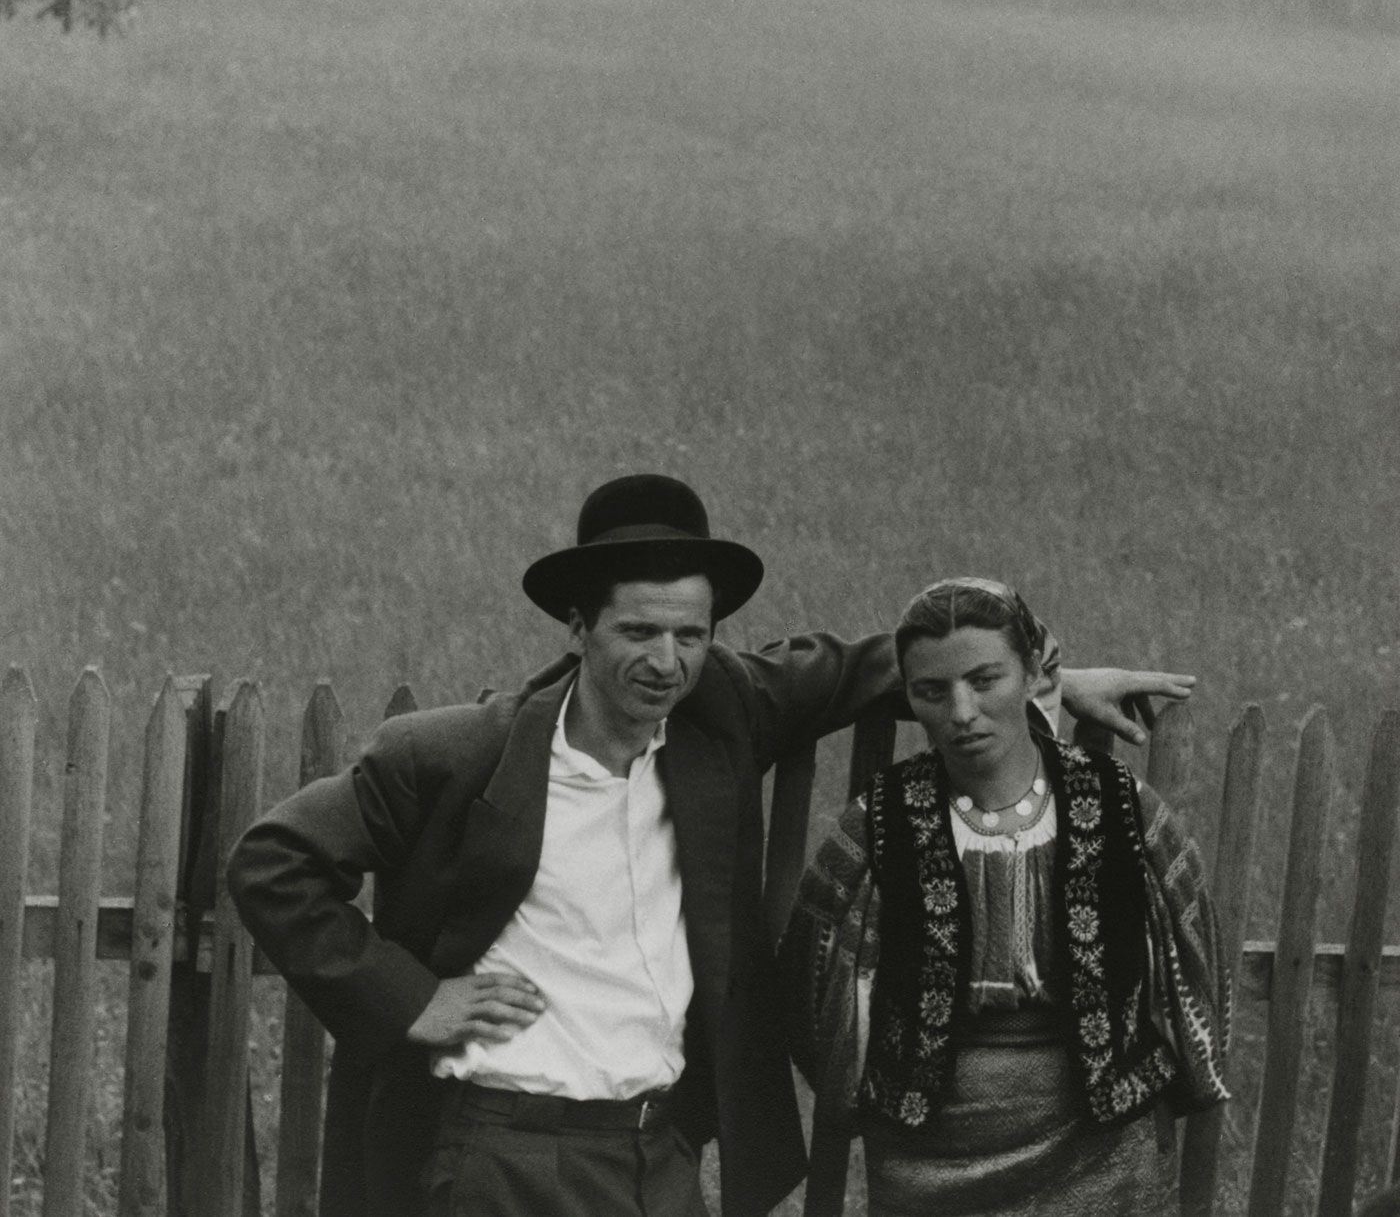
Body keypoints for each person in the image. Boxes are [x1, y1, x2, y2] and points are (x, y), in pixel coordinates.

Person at [227, 478, 1197, 1217]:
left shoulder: (717, 709)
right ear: (575, 625)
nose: (665, 660)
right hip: (501, 1152)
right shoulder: (454, 755)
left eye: (690, 633)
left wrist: (1048, 685)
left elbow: (868, 669)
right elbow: (272, 860)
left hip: (659, 1154)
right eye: (637, 630)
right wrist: (413, 998)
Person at [781, 576, 1229, 1217]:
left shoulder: (1116, 804)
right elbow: (812, 967)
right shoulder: (883, 819)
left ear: (1035, 676)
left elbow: (1191, 941)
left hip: (1096, 1141)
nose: (961, 712)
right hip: (928, 1152)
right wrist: (870, 1086)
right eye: (931, 692)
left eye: (985, 680)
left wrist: (1167, 1069)